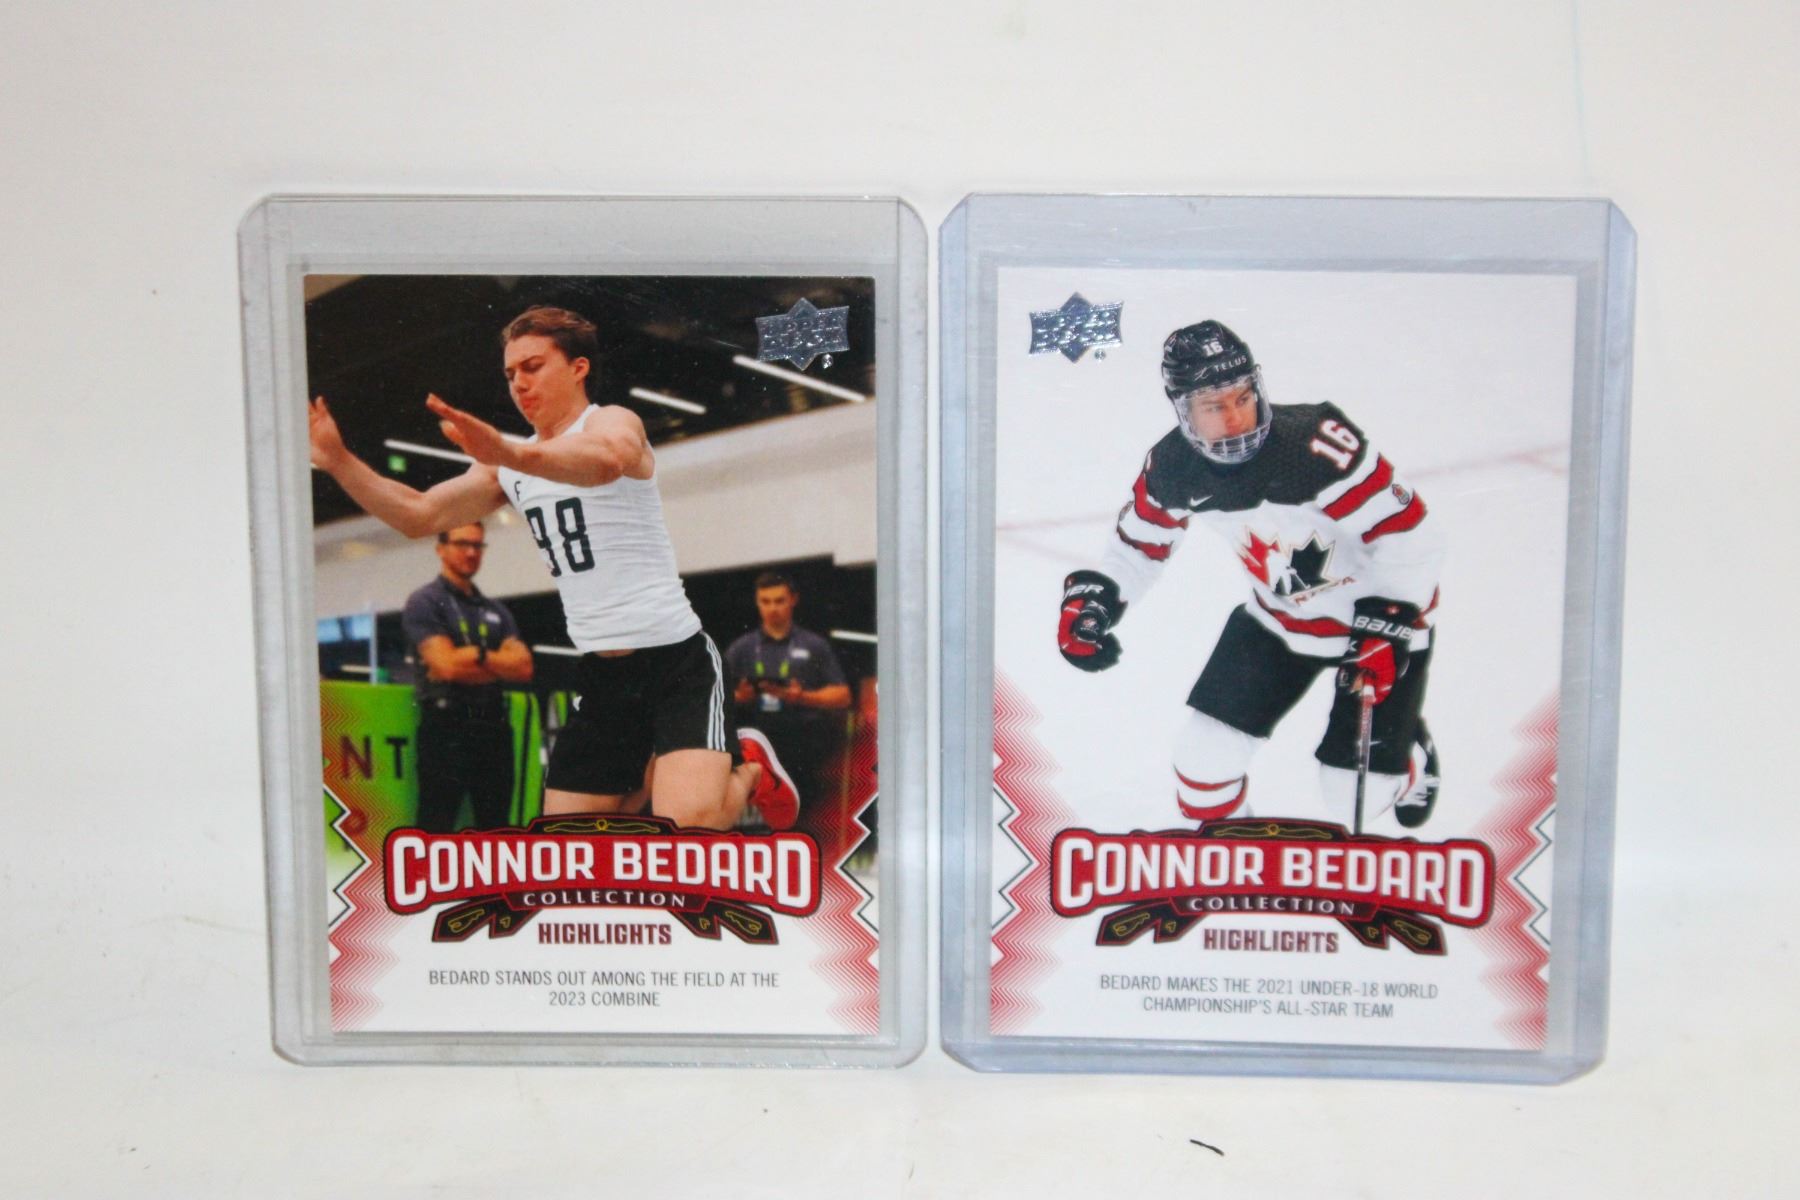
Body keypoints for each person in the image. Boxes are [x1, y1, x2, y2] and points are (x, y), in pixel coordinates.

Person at [309, 304, 799, 831]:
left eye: (533, 366)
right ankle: (663, 765)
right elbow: (418, 514)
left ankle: (749, 767)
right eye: (510, 373)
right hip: (604, 675)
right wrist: (339, 461)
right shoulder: (510, 463)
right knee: (568, 841)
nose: (519, 383)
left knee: (686, 828)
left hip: (675, 662)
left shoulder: (611, 422)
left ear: (578, 367)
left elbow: (606, 460)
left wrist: (513, 455)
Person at [1057, 320, 1445, 829]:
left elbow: (1412, 537)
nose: (1236, 418)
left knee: (1354, 796)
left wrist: (1388, 625)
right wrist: (1097, 602)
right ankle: (1237, 850)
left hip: (1375, 626)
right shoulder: (1172, 467)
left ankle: (1411, 756)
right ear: (1183, 410)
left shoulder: (1316, 444)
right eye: (1213, 406)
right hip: (1277, 621)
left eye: (1242, 398)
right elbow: (1138, 547)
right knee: (1201, 764)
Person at [400, 521, 534, 832]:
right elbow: (445, 666)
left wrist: (478, 656)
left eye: (478, 545)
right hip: (446, 726)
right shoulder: (425, 601)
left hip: (493, 726)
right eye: (463, 544)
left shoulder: (496, 610)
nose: (472, 552)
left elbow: (524, 668)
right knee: (436, 827)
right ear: (441, 549)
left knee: (496, 830)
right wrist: (497, 662)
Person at [725, 572, 851, 821]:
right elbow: (714, 697)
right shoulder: (742, 648)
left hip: (803, 745)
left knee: (804, 816)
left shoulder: (813, 645)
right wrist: (740, 696)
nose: (773, 608)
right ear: (757, 602)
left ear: (793, 600)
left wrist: (802, 697)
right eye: (766, 601)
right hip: (756, 742)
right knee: (756, 817)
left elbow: (843, 695)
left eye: (779, 600)